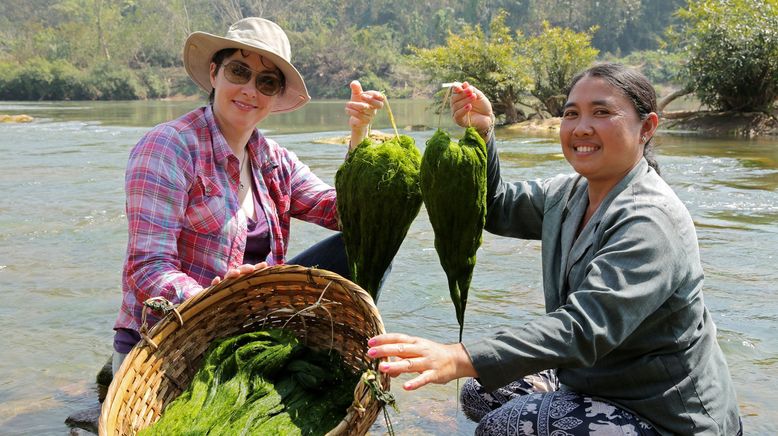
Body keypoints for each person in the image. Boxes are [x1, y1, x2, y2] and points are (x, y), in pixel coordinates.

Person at [367, 63, 741, 435]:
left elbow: (583, 328)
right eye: (571, 114)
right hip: (592, 381)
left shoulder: (650, 220)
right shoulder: (568, 194)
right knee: (482, 392)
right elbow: (493, 205)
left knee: (504, 425)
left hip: (662, 413)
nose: (581, 128)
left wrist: (458, 356)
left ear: (647, 127)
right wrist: (483, 132)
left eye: (602, 112)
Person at [112, 17, 385, 374]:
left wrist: (359, 136)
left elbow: (344, 214)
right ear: (214, 73)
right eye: (239, 72)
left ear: (274, 97)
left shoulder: (272, 159)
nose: (250, 90)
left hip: (249, 330)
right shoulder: (169, 147)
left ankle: (352, 357)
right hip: (168, 338)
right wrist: (216, 299)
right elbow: (148, 269)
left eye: (266, 82)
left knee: (369, 241)